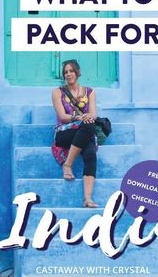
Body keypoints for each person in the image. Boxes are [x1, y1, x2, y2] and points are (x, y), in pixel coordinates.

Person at [52, 59, 98, 208]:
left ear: (77, 72)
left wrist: (88, 117)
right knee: (88, 126)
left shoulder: (90, 92)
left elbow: (94, 114)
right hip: (65, 133)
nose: (68, 74)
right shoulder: (57, 92)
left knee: (91, 152)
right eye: (65, 72)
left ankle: (87, 198)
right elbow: (63, 117)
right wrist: (79, 117)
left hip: (84, 130)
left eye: (71, 71)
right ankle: (68, 164)